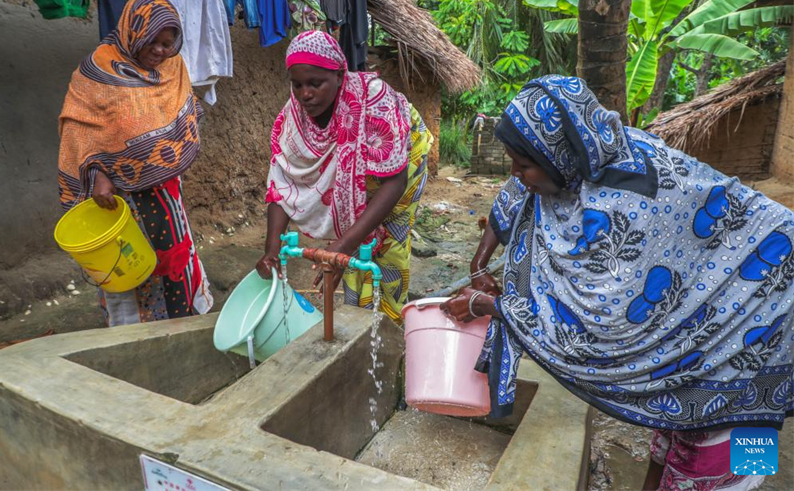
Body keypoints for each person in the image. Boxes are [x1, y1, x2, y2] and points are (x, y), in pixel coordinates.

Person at [441, 76, 793, 491]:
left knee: (722, 465)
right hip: (698, 343)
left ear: (558, 159)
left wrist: (487, 306)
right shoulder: (580, 153)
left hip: (760, 320)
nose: (516, 175)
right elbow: (516, 198)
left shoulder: (626, 202)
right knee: (673, 437)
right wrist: (479, 263)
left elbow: (597, 329)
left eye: (524, 165)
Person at [256, 31, 432, 324]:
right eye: (297, 85)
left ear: (339, 76)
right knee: (351, 237)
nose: (305, 94)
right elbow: (282, 179)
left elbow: (395, 182)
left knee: (387, 245)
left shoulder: (376, 101)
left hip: (401, 165)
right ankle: (356, 317)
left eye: (315, 84)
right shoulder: (294, 116)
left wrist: (343, 246)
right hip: (354, 181)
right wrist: (272, 249)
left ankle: (387, 327)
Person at [58, 0, 212, 325]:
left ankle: (182, 322)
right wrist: (97, 172)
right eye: (152, 41)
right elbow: (76, 129)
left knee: (173, 255)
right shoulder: (96, 72)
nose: (160, 51)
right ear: (133, 32)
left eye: (167, 44)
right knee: (128, 262)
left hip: (165, 193)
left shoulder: (173, 67)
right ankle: (134, 334)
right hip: (120, 199)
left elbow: (184, 113)